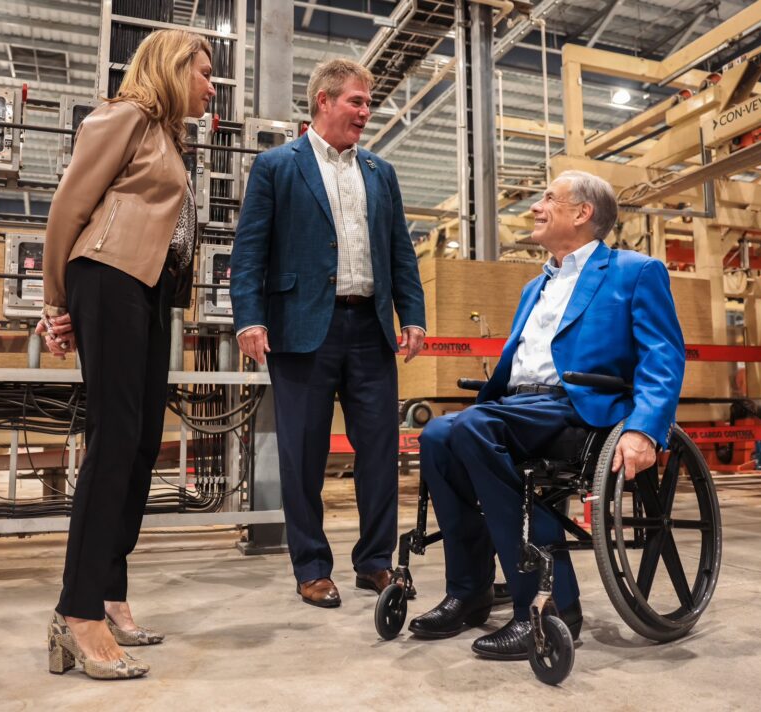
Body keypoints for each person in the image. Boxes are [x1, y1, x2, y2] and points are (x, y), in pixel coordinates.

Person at [407, 170, 685, 659]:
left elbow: (663, 356)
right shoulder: (533, 287)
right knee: (435, 435)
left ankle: (549, 604)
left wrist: (645, 430)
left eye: (548, 199)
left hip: (578, 409)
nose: (536, 207)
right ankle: (469, 589)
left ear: (583, 213)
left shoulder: (634, 271)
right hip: (517, 405)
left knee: (474, 427)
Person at [38, 29, 216, 680]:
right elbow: (68, 207)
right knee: (114, 438)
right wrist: (57, 303)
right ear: (173, 68)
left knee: (140, 443)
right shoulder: (125, 117)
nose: (212, 84)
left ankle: (108, 591)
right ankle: (76, 610)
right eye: (205, 71)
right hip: (108, 276)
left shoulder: (167, 136)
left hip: (149, 290)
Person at [230, 59, 426, 608]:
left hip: (369, 326)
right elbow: (250, 251)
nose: (367, 112)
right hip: (300, 329)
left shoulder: (380, 172)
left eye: (368, 103)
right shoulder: (276, 166)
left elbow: (399, 253)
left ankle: (375, 562)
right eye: (356, 102)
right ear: (323, 100)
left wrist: (412, 314)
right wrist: (249, 317)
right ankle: (312, 565)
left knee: (380, 450)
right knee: (303, 453)